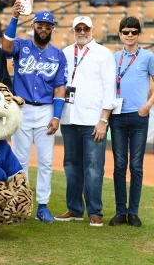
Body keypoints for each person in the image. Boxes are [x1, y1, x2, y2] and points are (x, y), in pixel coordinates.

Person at [2, 4, 67, 223]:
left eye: (47, 25)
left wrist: (57, 115)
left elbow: (60, 88)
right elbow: (6, 48)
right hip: (22, 108)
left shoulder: (58, 55)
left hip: (47, 109)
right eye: (40, 24)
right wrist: (13, 18)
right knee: (20, 159)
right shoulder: (22, 45)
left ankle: (43, 206)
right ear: (34, 25)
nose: (43, 28)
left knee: (46, 161)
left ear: (52, 28)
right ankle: (21, 204)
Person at [55, 16, 116, 227]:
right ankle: (74, 209)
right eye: (78, 28)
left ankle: (95, 211)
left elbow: (110, 88)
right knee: (71, 165)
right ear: (73, 30)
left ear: (92, 29)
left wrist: (103, 120)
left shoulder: (103, 53)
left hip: (93, 120)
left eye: (86, 28)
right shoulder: (64, 53)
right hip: (69, 118)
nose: (82, 31)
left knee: (93, 166)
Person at [109, 16, 154, 228]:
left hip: (139, 116)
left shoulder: (147, 57)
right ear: (120, 34)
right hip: (117, 117)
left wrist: (148, 105)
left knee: (136, 166)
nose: (129, 35)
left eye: (133, 32)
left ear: (139, 34)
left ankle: (133, 212)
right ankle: (120, 211)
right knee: (119, 165)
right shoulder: (114, 58)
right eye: (125, 31)